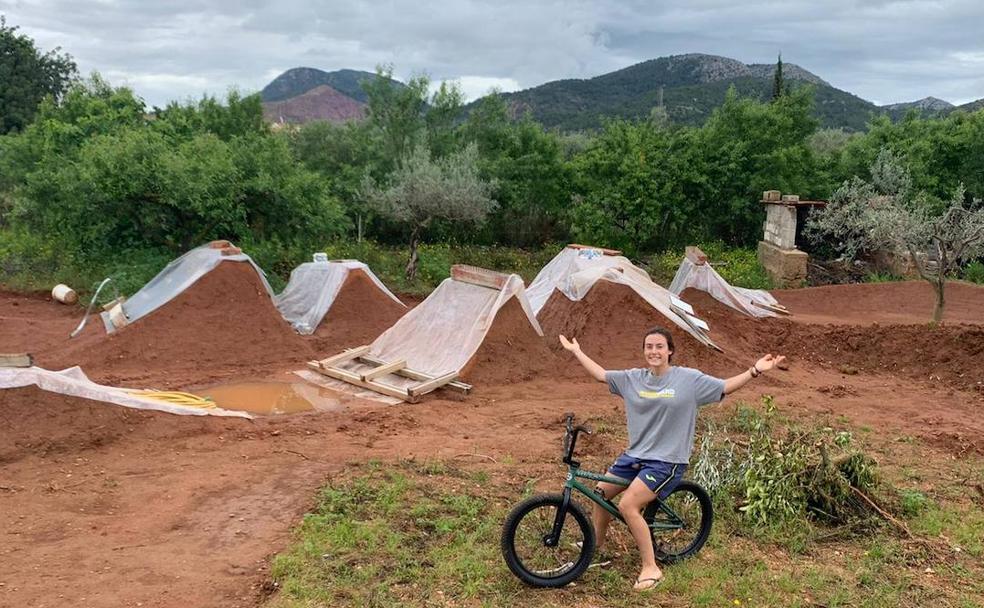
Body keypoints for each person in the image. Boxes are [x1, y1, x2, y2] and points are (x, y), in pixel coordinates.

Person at [559, 327, 785, 592]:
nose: (653, 351)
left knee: (628, 506)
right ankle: (597, 543)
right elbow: (600, 374)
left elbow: (724, 387)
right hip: (635, 456)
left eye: (659, 346)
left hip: (667, 460)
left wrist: (754, 370)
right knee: (600, 493)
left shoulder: (688, 380)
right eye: (649, 346)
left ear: (670, 351)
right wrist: (577, 351)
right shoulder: (632, 379)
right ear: (644, 351)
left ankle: (651, 568)